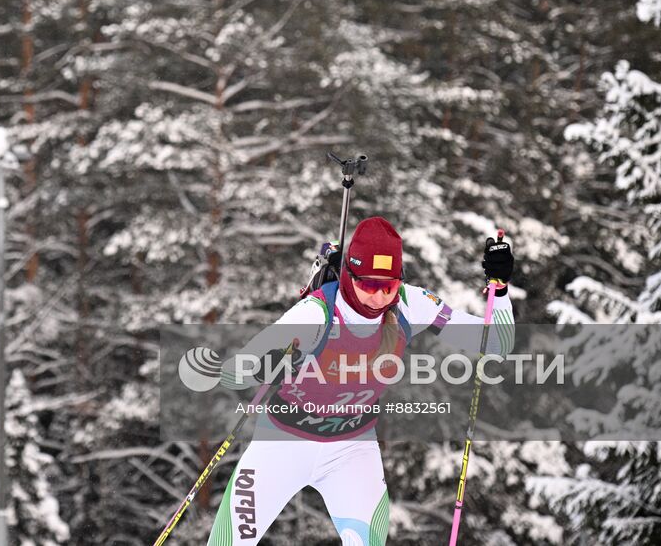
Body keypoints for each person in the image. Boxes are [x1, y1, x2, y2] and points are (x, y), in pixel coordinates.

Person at [206, 217, 515, 546]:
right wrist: (265, 366)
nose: (379, 297)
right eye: (368, 285)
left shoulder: (411, 305)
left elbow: (497, 344)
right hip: (282, 443)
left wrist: (502, 288)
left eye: (389, 286)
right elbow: (231, 372)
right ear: (348, 275)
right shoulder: (315, 313)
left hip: (351, 449)